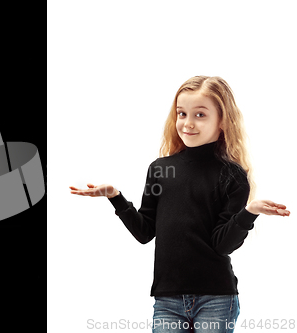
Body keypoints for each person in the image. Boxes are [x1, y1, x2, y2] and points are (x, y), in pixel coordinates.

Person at [70, 76, 290, 333]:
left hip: (216, 299)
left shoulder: (232, 176)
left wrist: (248, 213)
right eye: (182, 113)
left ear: (222, 122)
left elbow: (222, 245)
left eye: (200, 114)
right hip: (167, 300)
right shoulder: (160, 170)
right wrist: (115, 197)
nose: (187, 123)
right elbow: (144, 232)